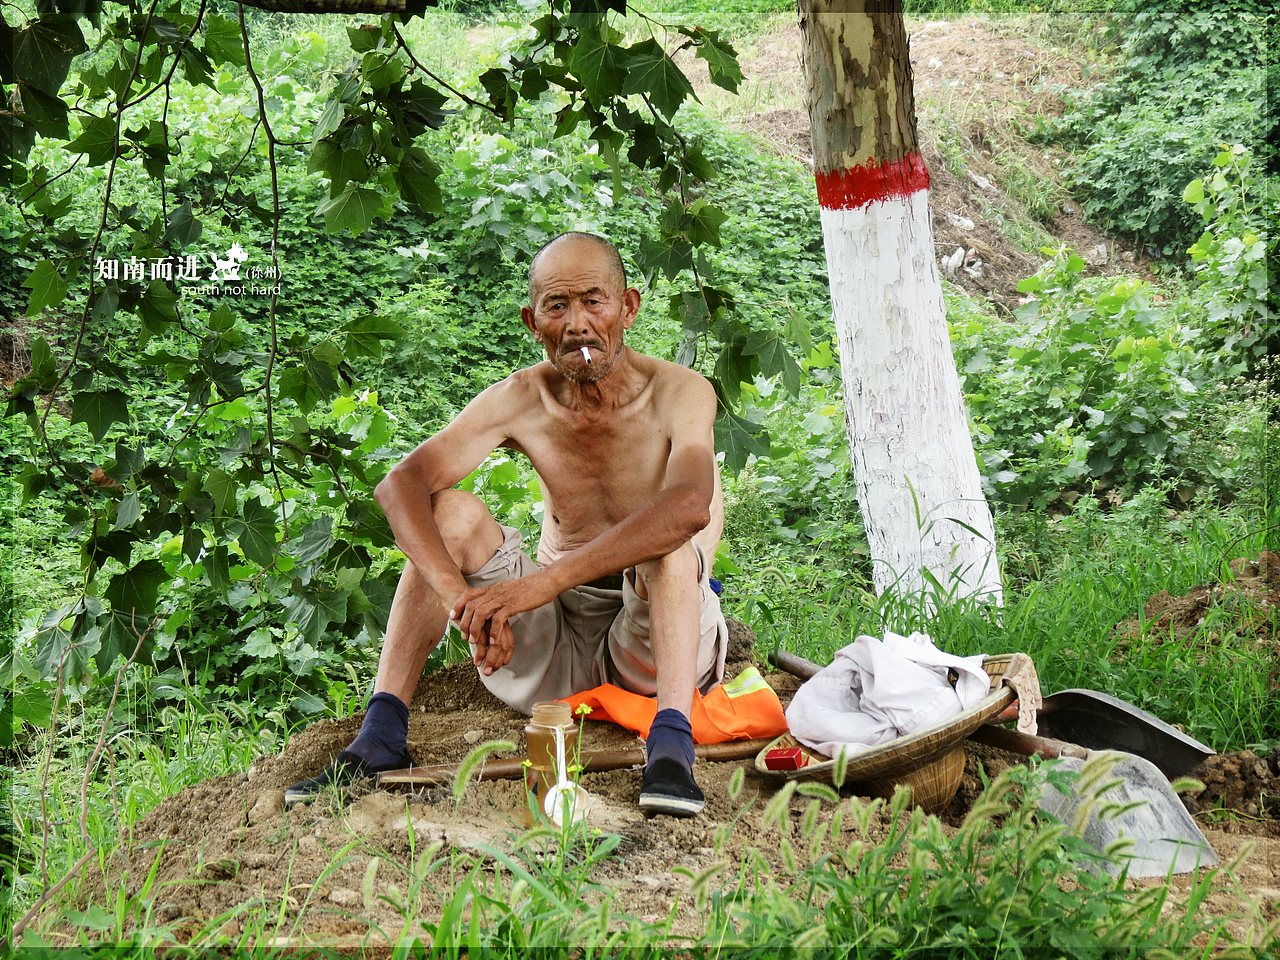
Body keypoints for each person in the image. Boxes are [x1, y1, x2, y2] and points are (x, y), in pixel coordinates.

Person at [285, 232, 729, 817]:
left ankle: (672, 747)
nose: (577, 325)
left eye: (593, 302)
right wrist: (462, 604)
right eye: (557, 306)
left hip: (651, 639)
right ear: (531, 321)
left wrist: (543, 582)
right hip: (550, 646)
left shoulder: (679, 391)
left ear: (629, 307)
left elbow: (691, 506)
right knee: (448, 513)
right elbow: (401, 486)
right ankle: (381, 733)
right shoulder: (523, 397)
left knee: (668, 543)